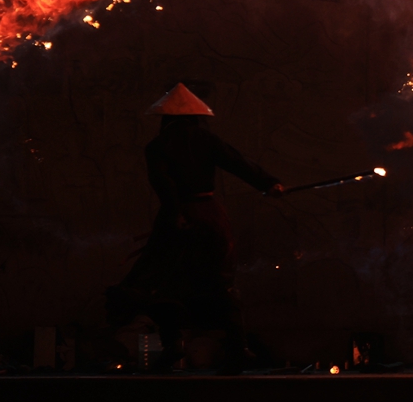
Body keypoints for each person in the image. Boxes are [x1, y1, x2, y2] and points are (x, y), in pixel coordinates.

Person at [106, 83, 284, 373]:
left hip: (176, 217)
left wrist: (175, 214)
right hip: (210, 216)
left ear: (166, 118)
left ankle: (173, 344)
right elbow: (238, 162)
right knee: (221, 282)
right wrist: (269, 183)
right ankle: (238, 347)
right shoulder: (206, 140)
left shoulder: (157, 146)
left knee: (162, 282)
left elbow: (164, 185)